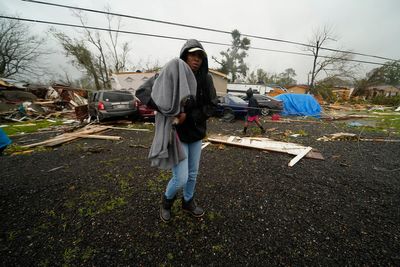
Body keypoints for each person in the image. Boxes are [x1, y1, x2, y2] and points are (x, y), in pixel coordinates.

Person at [136, 39, 217, 223]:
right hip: (177, 134)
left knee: (193, 174)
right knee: (180, 177)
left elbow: (212, 105)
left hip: (196, 133)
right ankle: (166, 203)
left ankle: (188, 202)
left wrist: (189, 116)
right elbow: (142, 92)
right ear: (184, 56)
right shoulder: (169, 74)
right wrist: (168, 110)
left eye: (199, 56)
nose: (196, 60)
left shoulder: (206, 78)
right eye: (192, 55)